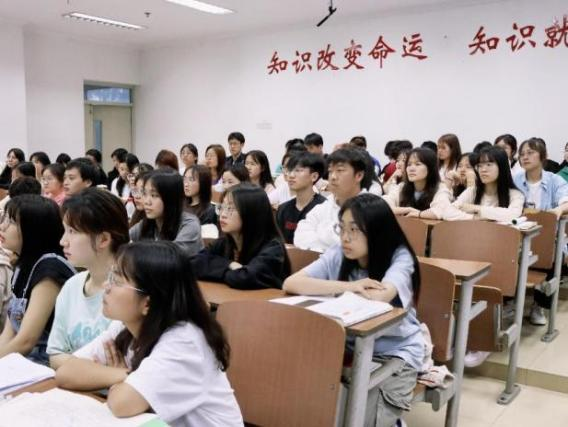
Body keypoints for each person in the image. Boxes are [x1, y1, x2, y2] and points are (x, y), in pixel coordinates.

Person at [55, 241, 244, 426]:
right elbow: (65, 373)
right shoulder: (125, 326)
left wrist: (119, 382)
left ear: (147, 303)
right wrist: (124, 375)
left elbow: (121, 404)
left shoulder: (185, 341)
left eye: (117, 281)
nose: (106, 285)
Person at [283, 194, 424, 427]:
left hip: (393, 353)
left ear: (377, 231)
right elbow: (292, 283)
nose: (345, 237)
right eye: (342, 228)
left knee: (360, 421)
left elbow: (379, 297)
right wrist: (350, 286)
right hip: (348, 348)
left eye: (354, 230)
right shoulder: (339, 252)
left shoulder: (400, 257)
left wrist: (336, 290)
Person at [47, 188, 130, 369]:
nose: (63, 241)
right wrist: (97, 370)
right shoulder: (72, 286)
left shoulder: (129, 292)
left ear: (103, 239)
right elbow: (55, 356)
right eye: (64, 231)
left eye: (72, 231)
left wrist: (74, 367)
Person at [0, 195, 76, 364]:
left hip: (46, 362)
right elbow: (9, 332)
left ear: (32, 229)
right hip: (23, 359)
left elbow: (26, 341)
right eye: (4, 219)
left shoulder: (50, 269)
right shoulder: (23, 264)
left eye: (11, 222)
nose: (2, 227)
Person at [192, 184, 290, 289]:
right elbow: (194, 264)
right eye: (222, 207)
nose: (223, 214)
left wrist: (215, 268)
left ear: (251, 213)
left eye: (230, 209)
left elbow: (245, 278)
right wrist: (229, 264)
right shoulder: (225, 241)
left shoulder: (273, 248)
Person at [514, 138, 568, 325]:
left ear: (543, 156)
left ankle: (539, 305)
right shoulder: (515, 180)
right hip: (518, 236)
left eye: (530, 153)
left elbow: (566, 200)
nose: (525, 157)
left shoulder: (555, 180)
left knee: (549, 252)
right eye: (522, 154)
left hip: (547, 238)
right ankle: (508, 300)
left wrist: (558, 210)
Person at [294, 147, 370, 252]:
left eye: (340, 170)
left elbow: (358, 246)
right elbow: (300, 237)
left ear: (359, 175)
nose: (333, 177)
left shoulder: (371, 208)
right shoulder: (324, 206)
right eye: (330, 171)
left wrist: (321, 235)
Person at [129, 170, 203, 257]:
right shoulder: (148, 222)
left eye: (154, 195)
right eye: (144, 194)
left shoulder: (190, 224)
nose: (146, 202)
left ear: (170, 199)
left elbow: (170, 258)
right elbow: (124, 239)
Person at [443, 147, 524, 222]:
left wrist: (477, 208)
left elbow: (513, 214)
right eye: (480, 166)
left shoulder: (515, 194)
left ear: (502, 167)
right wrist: (474, 217)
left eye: (489, 164)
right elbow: (447, 212)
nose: (483, 170)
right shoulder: (473, 191)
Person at [384, 148, 452, 219]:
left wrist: (419, 214)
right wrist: (408, 210)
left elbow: (440, 211)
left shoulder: (440, 188)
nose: (411, 169)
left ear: (430, 168)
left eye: (418, 164)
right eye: (409, 164)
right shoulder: (402, 187)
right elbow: (384, 205)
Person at [276, 152, 326, 243]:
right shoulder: (283, 209)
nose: (291, 175)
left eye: (298, 170)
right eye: (289, 170)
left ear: (314, 176)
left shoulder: (324, 208)